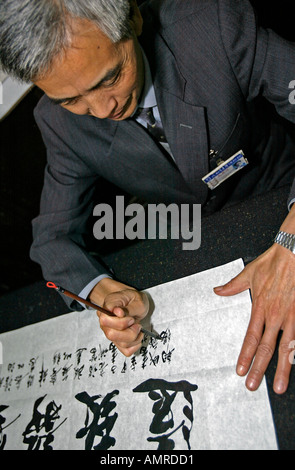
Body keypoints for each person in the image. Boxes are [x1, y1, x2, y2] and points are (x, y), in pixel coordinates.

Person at [1, 0, 295, 395]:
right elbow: (53, 238)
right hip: (197, 237)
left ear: (134, 18)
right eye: (72, 100)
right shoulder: (58, 123)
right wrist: (100, 290)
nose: (103, 109)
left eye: (109, 78)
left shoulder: (211, 27)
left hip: (277, 195)